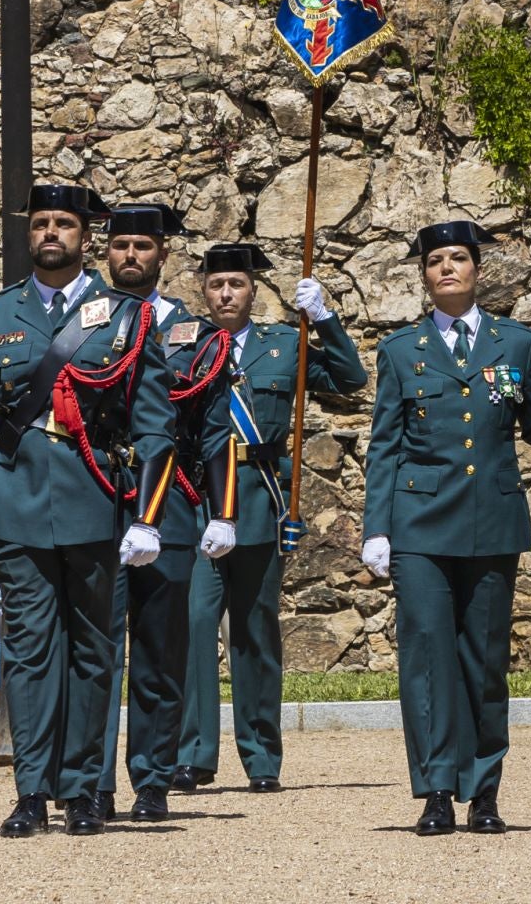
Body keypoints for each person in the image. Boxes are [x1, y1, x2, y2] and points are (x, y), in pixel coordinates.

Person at [0, 184, 176, 837]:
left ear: (85, 236)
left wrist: (149, 517)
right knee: (29, 651)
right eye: (40, 222)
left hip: (96, 501)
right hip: (15, 504)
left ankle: (81, 790)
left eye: (63, 223)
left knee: (95, 652)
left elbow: (156, 428)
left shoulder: (127, 316)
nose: (50, 232)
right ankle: (30, 792)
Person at [361, 220, 531, 836]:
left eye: (457, 258)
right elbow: (385, 446)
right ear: (423, 276)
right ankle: (434, 791)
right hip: (419, 525)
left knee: (483, 660)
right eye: (434, 262)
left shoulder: (515, 343)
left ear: (477, 269)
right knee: (426, 658)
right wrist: (379, 528)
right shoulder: (402, 350)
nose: (446, 269)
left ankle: (483, 791)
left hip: (490, 522)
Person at [174, 243, 365, 796]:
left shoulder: (285, 345)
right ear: (204, 292)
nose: (226, 293)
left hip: (259, 496)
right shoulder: (186, 347)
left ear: (254, 290)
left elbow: (349, 378)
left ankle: (261, 756)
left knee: (255, 632)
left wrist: (324, 320)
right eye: (216, 285)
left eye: (236, 283)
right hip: (200, 497)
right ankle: (194, 755)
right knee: (193, 625)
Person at [89, 204, 233, 823]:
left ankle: (151, 776)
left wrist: (222, 513)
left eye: (142, 246)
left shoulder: (196, 334)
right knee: (95, 649)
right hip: (93, 494)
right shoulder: (82, 323)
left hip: (168, 501)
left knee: (160, 646)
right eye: (119, 244)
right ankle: (90, 779)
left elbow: (219, 430)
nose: (130, 255)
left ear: (162, 255)